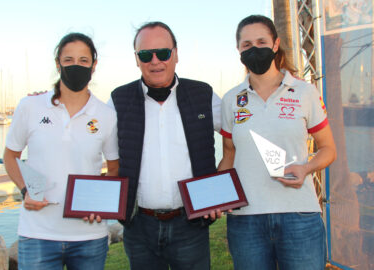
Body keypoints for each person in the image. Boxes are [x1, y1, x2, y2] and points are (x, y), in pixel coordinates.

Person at [218, 15, 337, 270]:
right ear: (238, 50)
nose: (254, 49)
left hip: (299, 216)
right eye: (247, 44)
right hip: (245, 220)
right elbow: (228, 156)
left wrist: (306, 168)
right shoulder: (230, 100)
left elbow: (328, 149)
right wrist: (213, 197)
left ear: (275, 44)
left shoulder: (306, 92)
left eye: (261, 41)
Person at [107, 21, 221, 270]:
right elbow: (90, 141)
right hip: (139, 227)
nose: (155, 61)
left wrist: (218, 193)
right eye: (146, 55)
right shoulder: (117, 100)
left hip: (190, 225)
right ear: (136, 59)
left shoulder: (204, 95)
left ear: (176, 54)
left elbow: (237, 139)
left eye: (164, 53)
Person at [3, 33, 119, 270]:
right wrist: (25, 190)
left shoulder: (107, 115)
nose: (76, 65)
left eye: (83, 60)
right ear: (58, 63)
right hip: (37, 234)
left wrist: (101, 204)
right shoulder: (30, 106)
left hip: (90, 237)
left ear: (93, 66)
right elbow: (10, 156)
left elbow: (114, 167)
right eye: (68, 60)